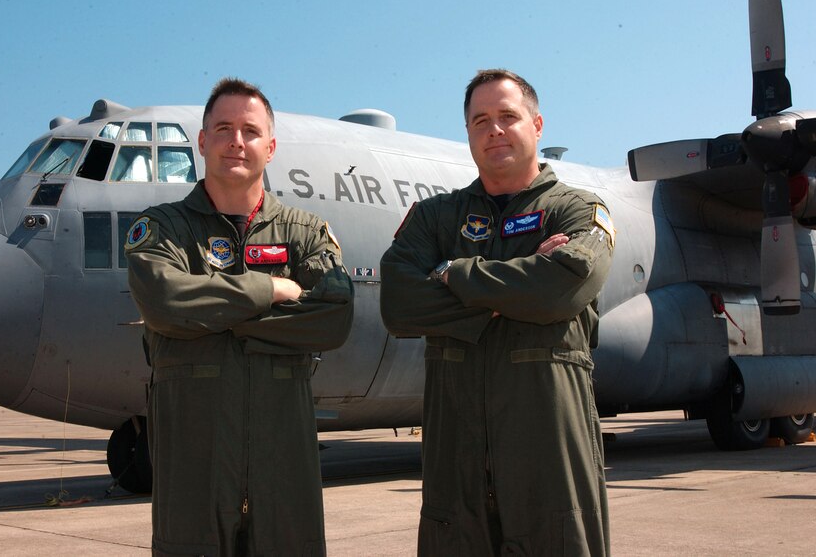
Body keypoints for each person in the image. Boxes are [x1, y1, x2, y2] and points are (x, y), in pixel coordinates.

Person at [380, 69, 615, 556]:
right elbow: (398, 303)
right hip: (455, 468)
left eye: (509, 116)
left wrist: (453, 273)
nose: (495, 129)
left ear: (537, 124)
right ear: (467, 131)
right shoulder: (434, 217)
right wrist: (517, 286)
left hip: (549, 462)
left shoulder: (576, 208)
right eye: (480, 119)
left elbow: (561, 288)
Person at [125, 77, 354, 556]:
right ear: (203, 142)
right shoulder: (165, 227)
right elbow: (164, 302)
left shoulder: (305, 232)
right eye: (223, 129)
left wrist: (212, 318)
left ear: (270, 147)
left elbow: (333, 318)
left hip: (283, 469)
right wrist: (267, 289)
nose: (237, 141)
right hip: (193, 469)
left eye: (250, 131)